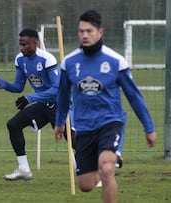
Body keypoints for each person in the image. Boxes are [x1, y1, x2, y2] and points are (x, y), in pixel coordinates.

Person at [54, 10, 156, 203]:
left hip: (111, 122)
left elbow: (134, 96)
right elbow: (62, 96)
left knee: (106, 168)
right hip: (84, 127)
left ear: (100, 32)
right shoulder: (69, 63)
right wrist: (59, 123)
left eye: (89, 31)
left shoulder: (116, 61)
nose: (84, 35)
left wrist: (149, 128)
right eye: (81, 31)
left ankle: (110, 158)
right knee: (85, 185)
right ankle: (109, 158)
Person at [0, 28, 75, 181]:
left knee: (73, 139)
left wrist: (30, 98)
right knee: (13, 125)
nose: (22, 48)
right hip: (42, 105)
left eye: (26, 45)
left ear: (35, 43)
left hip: (60, 105)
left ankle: (94, 167)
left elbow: (57, 89)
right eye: (20, 45)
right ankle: (24, 169)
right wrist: (4, 85)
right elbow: (18, 87)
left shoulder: (47, 59)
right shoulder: (20, 60)